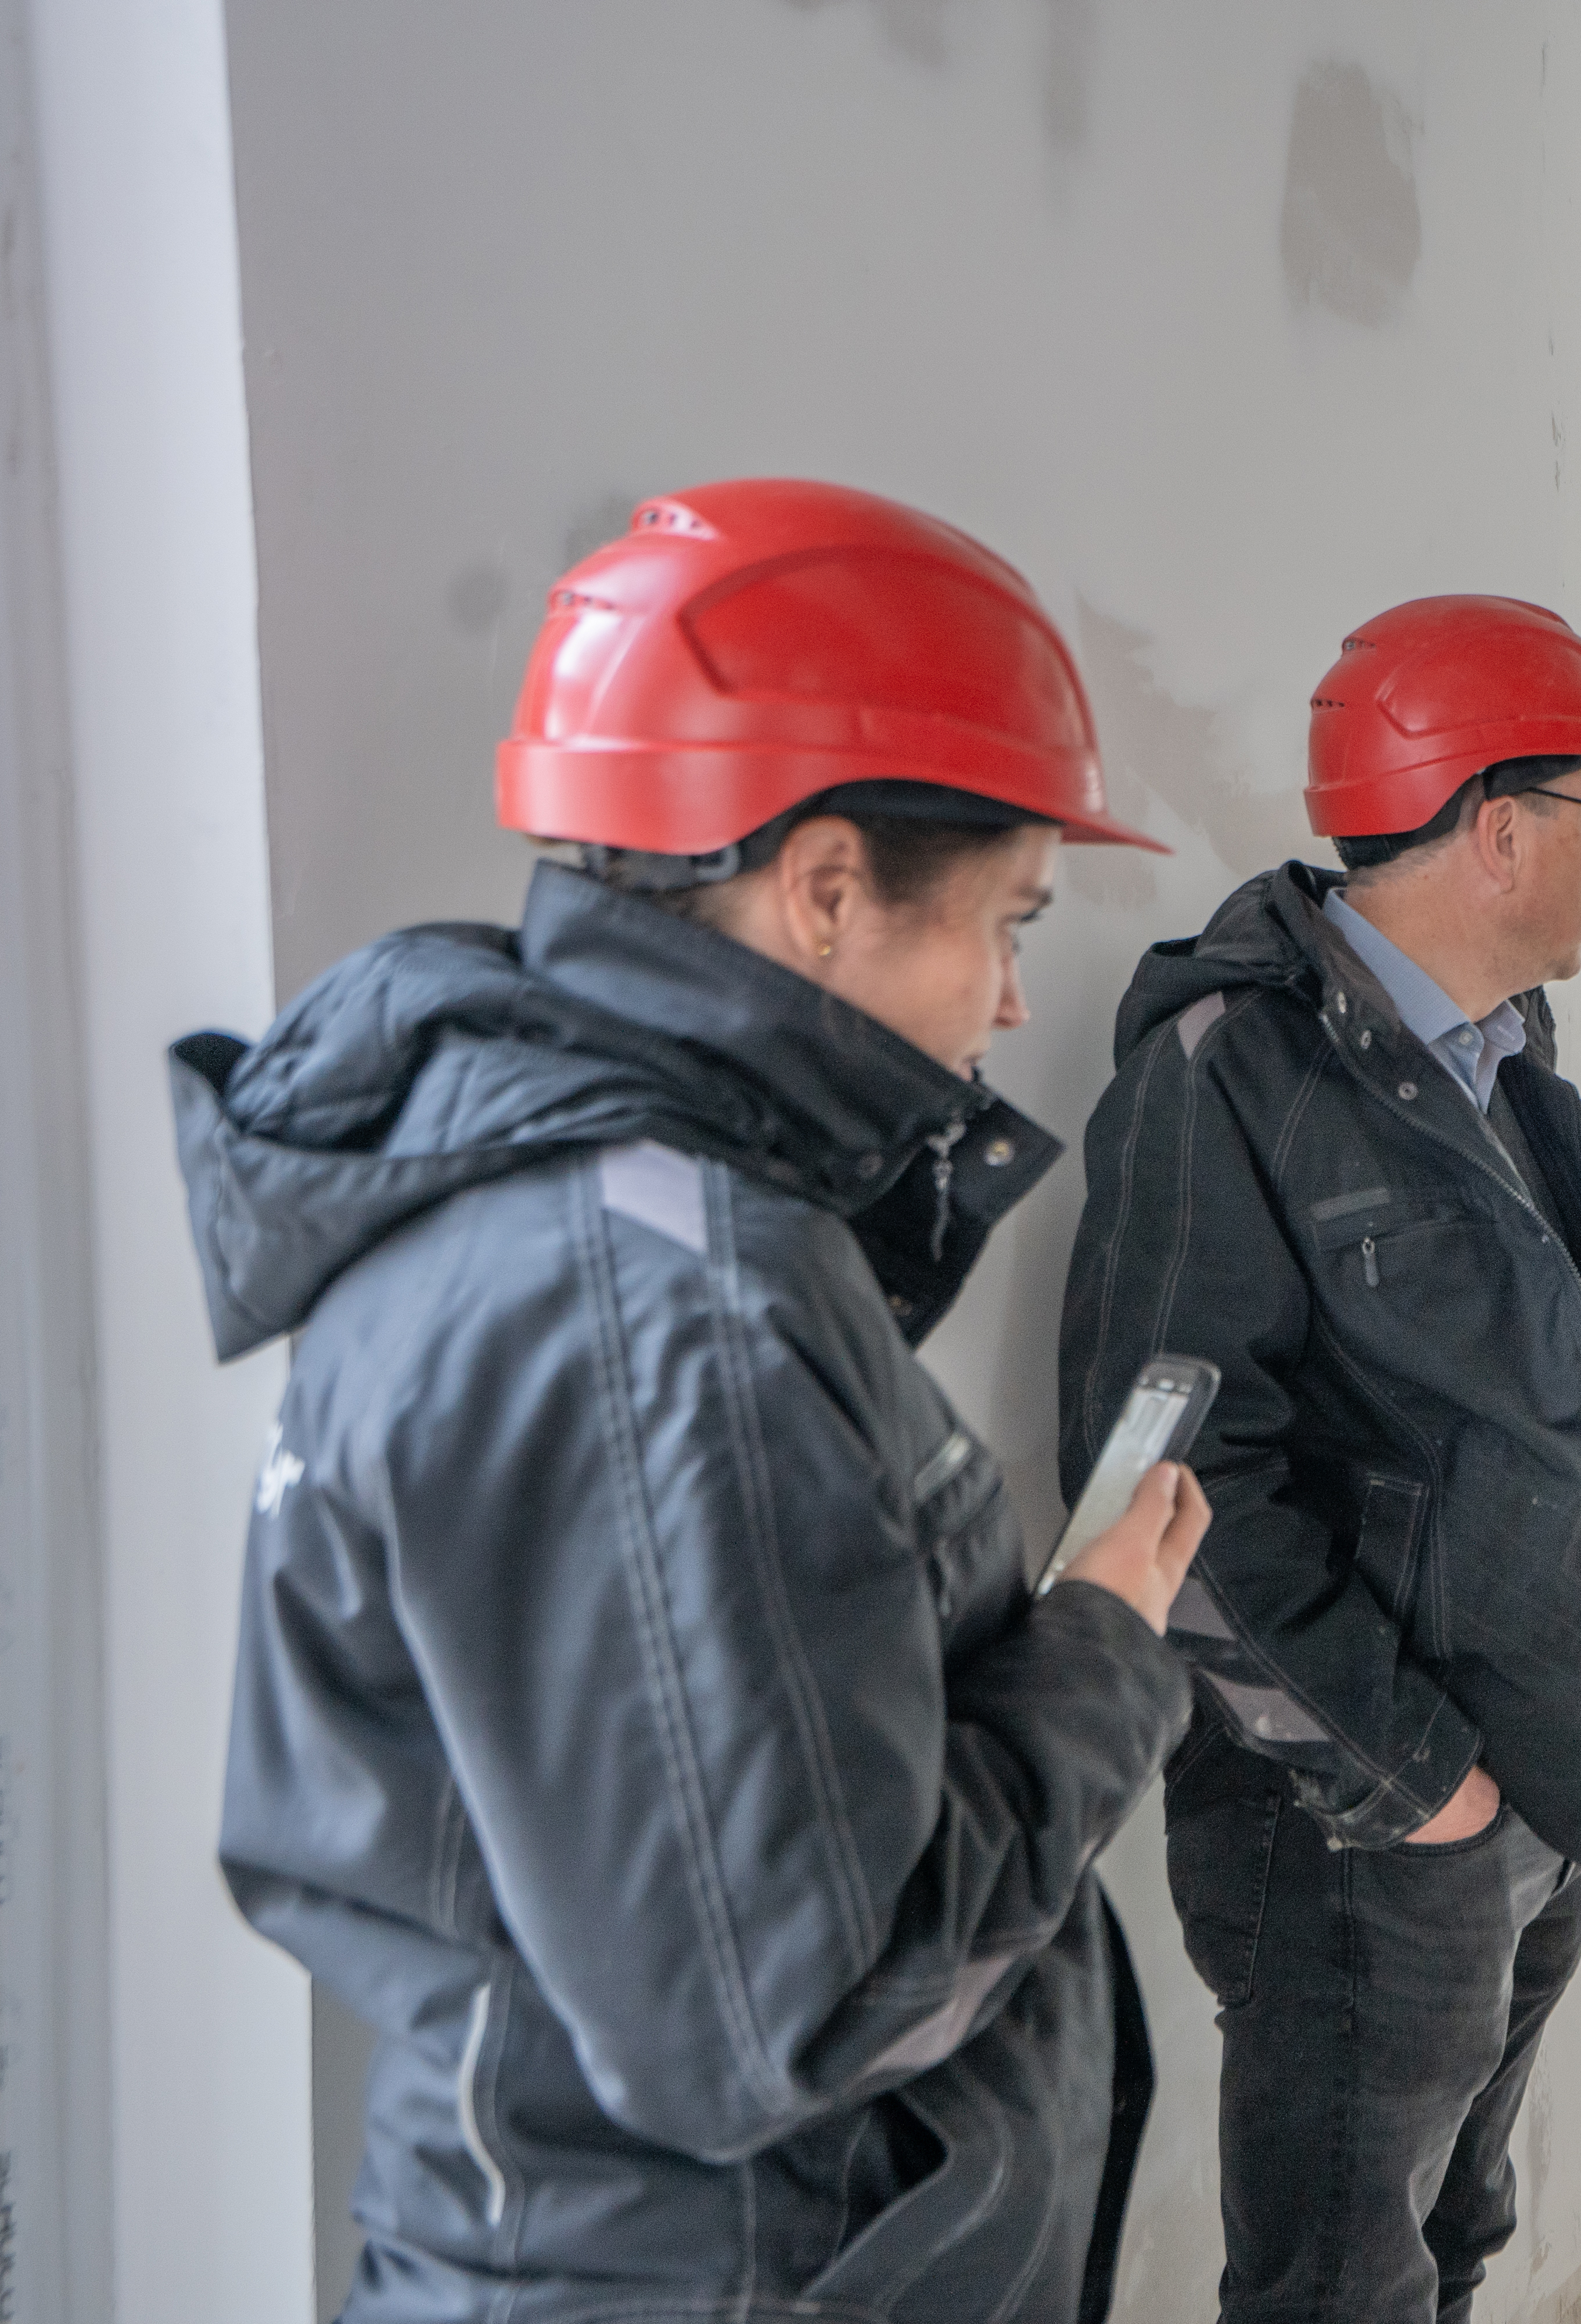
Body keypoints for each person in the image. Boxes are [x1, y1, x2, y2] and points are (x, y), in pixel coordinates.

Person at [175, 480, 1208, 2323]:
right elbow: (788, 2016)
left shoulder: (577, 1198)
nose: (1009, 997)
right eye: (1003, 923)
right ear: (824, 888)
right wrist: (1106, 1644)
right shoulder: (666, 1308)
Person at [1058, 594, 1581, 2323]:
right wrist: (1423, 1783)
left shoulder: (1501, 1067)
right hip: (1359, 1828)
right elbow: (1169, 1494)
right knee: (1332, 2289)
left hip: (1524, 1788)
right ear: (1499, 829)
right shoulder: (1226, 1079)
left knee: (1449, 2246)